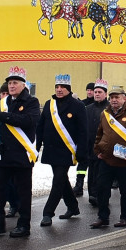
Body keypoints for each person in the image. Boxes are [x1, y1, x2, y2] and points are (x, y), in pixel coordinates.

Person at [0, 67, 40, 238]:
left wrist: (4, 116)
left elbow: (28, 121)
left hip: (21, 154)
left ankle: (23, 225)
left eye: (15, 83)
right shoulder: (2, 103)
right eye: (9, 83)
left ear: (23, 85)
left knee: (23, 191)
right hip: (3, 154)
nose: (12, 86)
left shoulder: (32, 102)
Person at [36, 74, 87, 226]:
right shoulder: (49, 104)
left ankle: (48, 213)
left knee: (58, 181)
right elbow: (40, 127)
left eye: (63, 87)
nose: (59, 90)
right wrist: (35, 148)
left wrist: (82, 151)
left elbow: (83, 131)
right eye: (57, 87)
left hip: (67, 150)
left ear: (69, 89)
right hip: (51, 149)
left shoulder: (77, 106)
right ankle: (73, 207)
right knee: (62, 179)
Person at [91, 86, 126, 228]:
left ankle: (125, 218)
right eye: (112, 97)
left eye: (117, 97)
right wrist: (98, 150)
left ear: (124, 99)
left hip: (124, 160)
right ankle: (103, 217)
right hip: (106, 159)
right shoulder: (105, 114)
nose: (114, 100)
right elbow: (99, 134)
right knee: (102, 189)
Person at [82, 79, 110, 205]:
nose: (97, 94)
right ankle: (93, 195)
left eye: (100, 92)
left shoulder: (109, 109)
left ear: (105, 94)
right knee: (92, 173)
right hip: (91, 147)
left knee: (103, 174)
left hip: (105, 148)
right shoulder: (88, 109)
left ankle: (102, 196)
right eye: (95, 92)